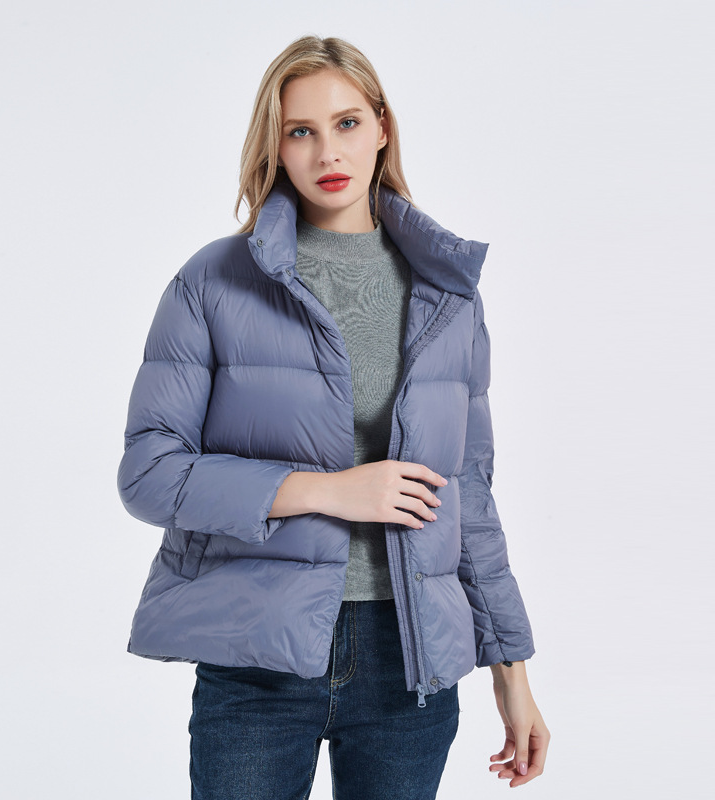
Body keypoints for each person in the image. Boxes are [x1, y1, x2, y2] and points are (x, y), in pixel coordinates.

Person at [117, 34, 550, 798]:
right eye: (301, 131)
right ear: (275, 146)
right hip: (255, 657)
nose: (328, 152)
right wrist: (325, 490)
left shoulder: (448, 294)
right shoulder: (213, 282)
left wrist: (511, 671)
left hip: (409, 664)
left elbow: (471, 495)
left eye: (347, 123)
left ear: (382, 125)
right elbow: (149, 473)